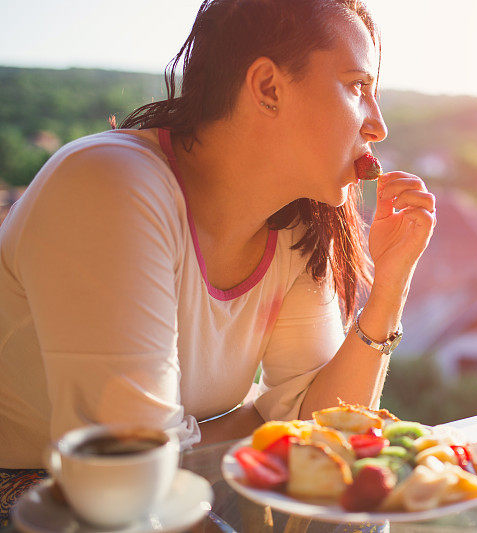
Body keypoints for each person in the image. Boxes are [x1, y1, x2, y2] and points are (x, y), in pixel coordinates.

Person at [0, 0, 435, 523]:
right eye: (357, 87)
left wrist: (390, 289)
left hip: (181, 495)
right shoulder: (110, 185)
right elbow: (135, 470)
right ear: (268, 87)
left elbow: (321, 432)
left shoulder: (295, 226)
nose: (378, 126)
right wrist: (255, 420)